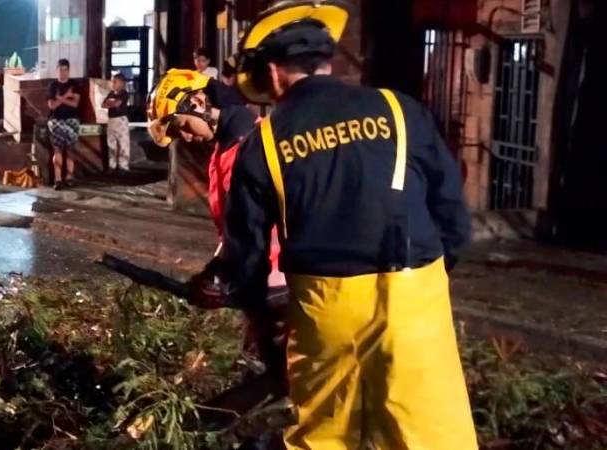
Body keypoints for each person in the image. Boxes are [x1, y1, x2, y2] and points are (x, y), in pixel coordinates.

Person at [203, 1, 477, 448]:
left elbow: (247, 254)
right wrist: (422, 282)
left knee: (324, 437)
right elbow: (453, 219)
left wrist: (253, 309)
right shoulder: (399, 109)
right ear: (326, 60)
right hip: (414, 297)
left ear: (271, 72)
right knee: (432, 437)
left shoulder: (263, 143)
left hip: (325, 308)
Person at [147, 68, 288, 400]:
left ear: (198, 101)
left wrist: (229, 280)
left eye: (182, 126)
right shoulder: (225, 150)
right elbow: (234, 229)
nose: (186, 138)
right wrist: (214, 271)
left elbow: (260, 231)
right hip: (263, 292)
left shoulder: (252, 147)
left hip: (281, 293)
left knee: (281, 390)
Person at [46, 59, 82, 189]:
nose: (63, 72)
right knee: (57, 148)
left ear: (69, 70)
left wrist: (60, 98)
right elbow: (52, 106)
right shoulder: (52, 86)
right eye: (61, 70)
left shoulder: (74, 85)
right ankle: (58, 179)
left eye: (65, 70)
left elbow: (75, 104)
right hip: (56, 120)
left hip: (72, 119)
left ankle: (69, 177)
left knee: (71, 148)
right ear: (57, 70)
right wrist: (66, 96)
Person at [102, 73, 131, 172]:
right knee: (111, 143)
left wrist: (110, 103)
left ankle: (123, 166)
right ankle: (112, 165)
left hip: (121, 119)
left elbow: (117, 104)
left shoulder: (124, 93)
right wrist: (112, 103)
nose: (113, 83)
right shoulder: (111, 93)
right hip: (111, 119)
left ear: (122, 83)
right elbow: (103, 105)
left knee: (123, 143)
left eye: (115, 81)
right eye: (112, 81)